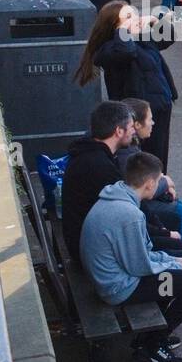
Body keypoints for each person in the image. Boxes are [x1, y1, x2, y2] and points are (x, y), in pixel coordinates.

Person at [80, 151, 182, 362]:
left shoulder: (117, 196)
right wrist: (175, 265)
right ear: (150, 183)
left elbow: (143, 252)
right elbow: (140, 267)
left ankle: (152, 336)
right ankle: (154, 344)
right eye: (160, 179)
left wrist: (173, 260)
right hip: (122, 289)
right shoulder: (128, 215)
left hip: (116, 278)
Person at [75, 2, 179, 168]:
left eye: (135, 14)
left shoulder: (140, 40)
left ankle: (159, 187)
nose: (136, 19)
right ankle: (149, 190)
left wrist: (155, 21)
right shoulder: (110, 49)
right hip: (136, 115)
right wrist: (123, 30)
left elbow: (167, 39)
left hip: (160, 108)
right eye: (128, 17)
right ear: (115, 27)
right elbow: (126, 52)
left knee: (159, 157)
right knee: (143, 160)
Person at [59, 100, 140, 266]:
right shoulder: (99, 166)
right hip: (92, 252)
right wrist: (164, 233)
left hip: (85, 240)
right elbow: (125, 210)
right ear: (118, 131)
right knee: (174, 221)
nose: (134, 130)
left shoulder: (90, 153)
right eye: (131, 126)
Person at [116, 98, 182, 242]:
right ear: (136, 124)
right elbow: (138, 185)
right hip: (132, 204)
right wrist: (165, 183)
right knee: (179, 210)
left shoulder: (130, 146)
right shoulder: (127, 151)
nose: (152, 123)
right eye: (150, 119)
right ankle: (180, 247)